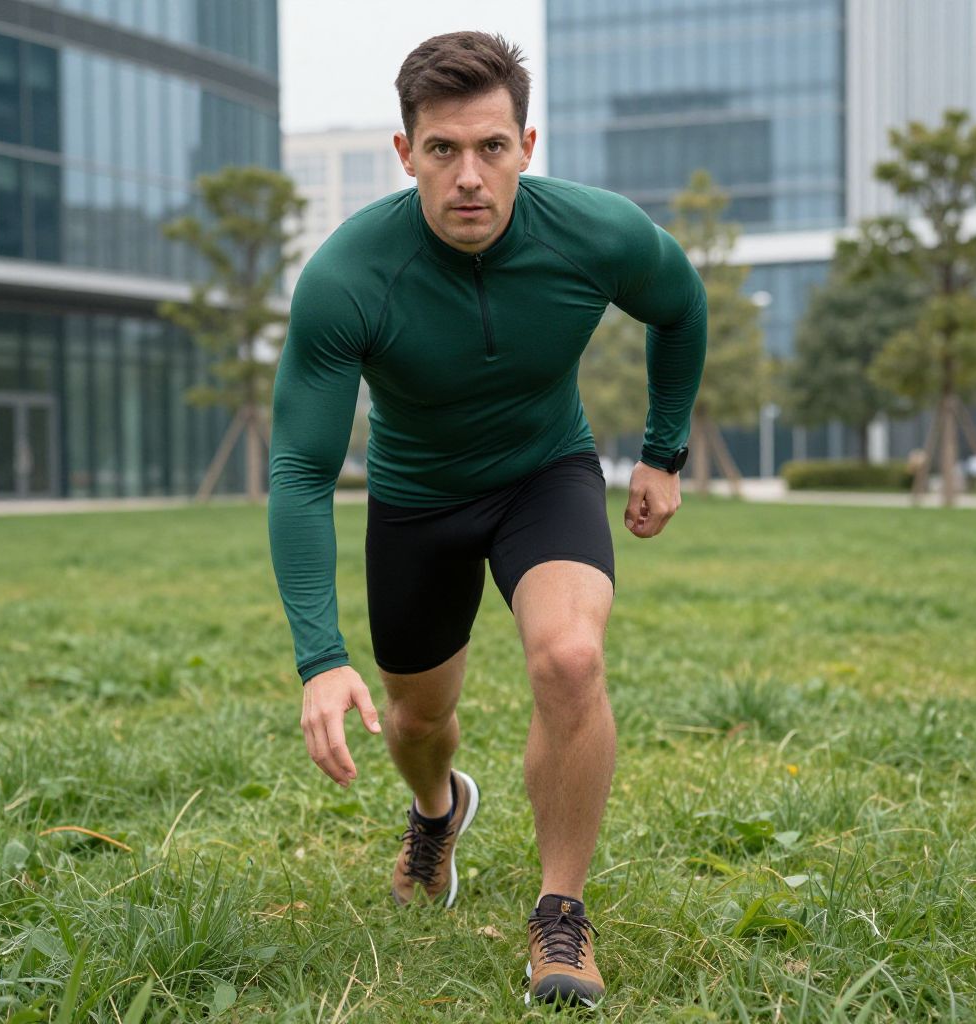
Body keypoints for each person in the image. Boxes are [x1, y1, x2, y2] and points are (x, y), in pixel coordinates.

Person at [268, 31, 707, 1009]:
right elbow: (300, 468)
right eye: (442, 150)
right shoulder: (348, 277)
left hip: (541, 476)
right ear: (404, 153)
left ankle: (560, 914)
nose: (469, 176)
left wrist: (664, 452)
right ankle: (437, 810)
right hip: (416, 498)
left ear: (526, 143)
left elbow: (678, 304)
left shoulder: (595, 234)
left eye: (492, 147)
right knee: (419, 717)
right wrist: (317, 655)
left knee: (570, 660)